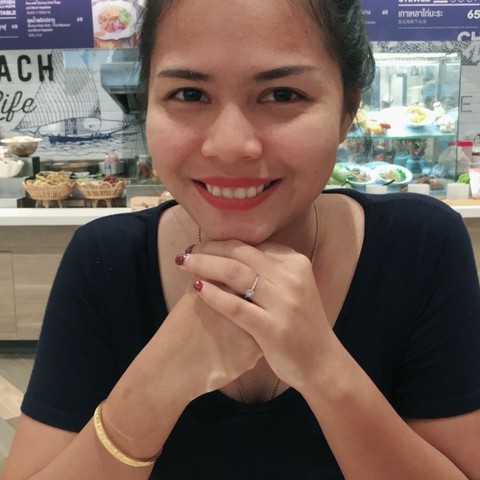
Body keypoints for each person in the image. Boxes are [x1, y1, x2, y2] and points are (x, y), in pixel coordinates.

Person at [2, 1, 480, 478]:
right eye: (189, 94)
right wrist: (156, 385)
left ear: (347, 111)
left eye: (281, 94)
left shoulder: (420, 247)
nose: (230, 146)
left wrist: (322, 369)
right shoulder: (105, 260)